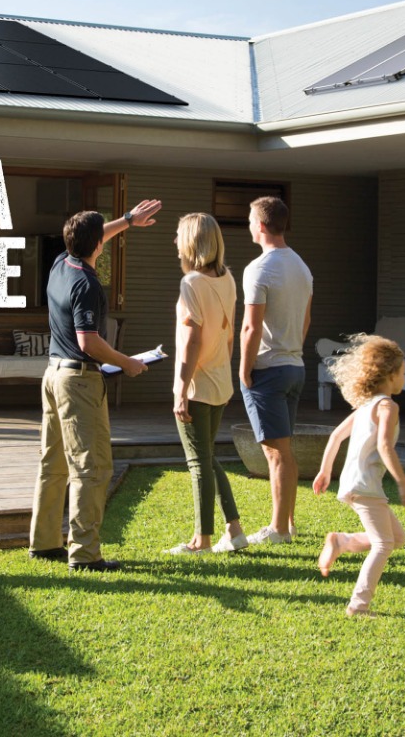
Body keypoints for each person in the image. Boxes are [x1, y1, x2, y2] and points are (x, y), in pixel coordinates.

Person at [29, 198, 162, 572]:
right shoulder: (87, 284)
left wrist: (128, 221)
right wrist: (129, 363)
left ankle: (43, 543)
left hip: (52, 374)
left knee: (52, 463)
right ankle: (85, 554)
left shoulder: (60, 263)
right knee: (92, 467)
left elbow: (89, 236)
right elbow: (89, 342)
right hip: (79, 382)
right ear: (98, 248)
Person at [312, 334, 405, 617]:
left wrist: (325, 470)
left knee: (396, 537)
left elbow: (335, 437)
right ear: (391, 375)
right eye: (403, 373)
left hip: (353, 483)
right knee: (383, 544)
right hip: (365, 485)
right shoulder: (387, 407)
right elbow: (384, 446)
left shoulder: (364, 407)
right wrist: (403, 484)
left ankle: (342, 542)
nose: (404, 378)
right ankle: (359, 606)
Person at [166, 213, 247, 555]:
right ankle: (236, 530)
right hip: (219, 382)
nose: (174, 242)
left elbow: (190, 342)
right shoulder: (227, 278)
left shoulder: (191, 284)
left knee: (198, 462)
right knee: (208, 456)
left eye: (177, 235)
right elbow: (228, 335)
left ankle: (202, 541)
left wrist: (180, 390)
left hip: (198, 386)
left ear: (190, 243)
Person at [238, 195, 312, 545]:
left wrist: (244, 368)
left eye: (251, 220)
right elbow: (306, 319)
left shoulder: (259, 268)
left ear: (263, 226)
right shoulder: (301, 265)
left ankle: (279, 529)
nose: (249, 225)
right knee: (283, 450)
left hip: (268, 369)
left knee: (275, 452)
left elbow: (251, 327)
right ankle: (288, 523)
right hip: (295, 366)